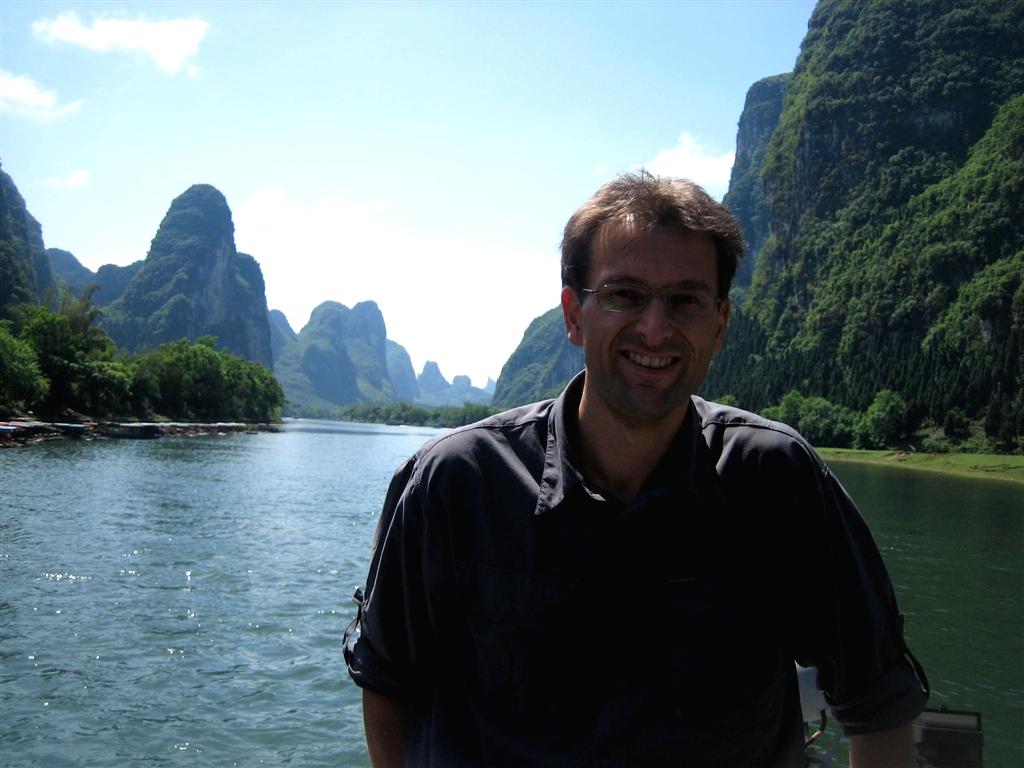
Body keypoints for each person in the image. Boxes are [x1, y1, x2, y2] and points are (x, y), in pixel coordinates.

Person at [345, 171, 928, 767]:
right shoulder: (455, 482)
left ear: (720, 324)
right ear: (574, 315)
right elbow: (388, 681)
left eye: (686, 300)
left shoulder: (776, 477)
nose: (655, 327)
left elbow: (877, 698)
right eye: (624, 295)